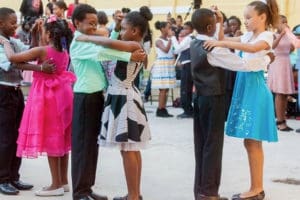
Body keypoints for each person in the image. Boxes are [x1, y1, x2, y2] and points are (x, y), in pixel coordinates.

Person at [191, 7, 274, 200]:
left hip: (251, 88)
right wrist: (268, 59)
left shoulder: (266, 35)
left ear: (262, 17)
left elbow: (252, 49)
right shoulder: (238, 39)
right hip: (236, 88)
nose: (244, 21)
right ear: (210, 26)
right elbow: (238, 56)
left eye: (248, 17)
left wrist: (219, 35)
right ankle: (210, 191)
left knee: (251, 141)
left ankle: (255, 188)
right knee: (237, 142)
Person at [70, 4, 145, 200]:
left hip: (98, 97)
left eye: (96, 23)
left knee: (91, 147)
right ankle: (80, 192)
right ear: (77, 23)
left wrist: (115, 32)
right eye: (90, 24)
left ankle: (87, 188)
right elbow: (103, 53)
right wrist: (129, 55)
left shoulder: (89, 40)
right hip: (85, 97)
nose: (94, 28)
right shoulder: (79, 42)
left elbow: (107, 45)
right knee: (82, 146)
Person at [2, 15, 75, 196]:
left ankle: (54, 184)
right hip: (62, 94)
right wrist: (35, 36)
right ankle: (63, 182)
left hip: (48, 97)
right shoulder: (63, 50)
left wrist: (5, 43)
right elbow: (30, 51)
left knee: (52, 139)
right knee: (62, 139)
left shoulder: (42, 50)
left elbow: (14, 57)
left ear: (49, 35)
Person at [0, 7, 54, 196]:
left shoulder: (12, 41)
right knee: (5, 138)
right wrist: (41, 69)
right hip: (3, 91)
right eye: (12, 22)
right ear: (0, 24)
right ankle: (3, 178)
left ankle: (14, 176)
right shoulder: (1, 43)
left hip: (15, 92)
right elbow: (13, 62)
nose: (16, 25)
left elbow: (30, 51)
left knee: (17, 136)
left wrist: (34, 34)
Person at [267, 15, 295, 131]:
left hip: (286, 62)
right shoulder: (273, 35)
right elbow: (272, 46)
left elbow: (293, 48)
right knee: (279, 93)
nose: (284, 24)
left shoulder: (288, 35)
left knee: (284, 94)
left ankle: (282, 119)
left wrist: (289, 35)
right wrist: (282, 34)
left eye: (285, 22)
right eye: (281, 22)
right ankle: (279, 121)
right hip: (277, 63)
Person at [152, 20, 176, 117]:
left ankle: (164, 108)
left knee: (167, 89)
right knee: (163, 89)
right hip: (162, 65)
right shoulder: (158, 40)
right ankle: (160, 109)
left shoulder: (168, 40)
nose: (170, 29)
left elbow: (172, 51)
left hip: (169, 64)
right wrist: (171, 39)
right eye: (168, 27)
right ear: (162, 29)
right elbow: (165, 50)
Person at [171, 21, 194, 118]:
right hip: (188, 64)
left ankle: (187, 110)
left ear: (191, 29)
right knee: (187, 88)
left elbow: (177, 49)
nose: (183, 30)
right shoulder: (191, 38)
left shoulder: (189, 38)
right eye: (183, 28)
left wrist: (173, 37)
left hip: (187, 64)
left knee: (185, 88)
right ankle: (188, 109)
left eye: (186, 28)